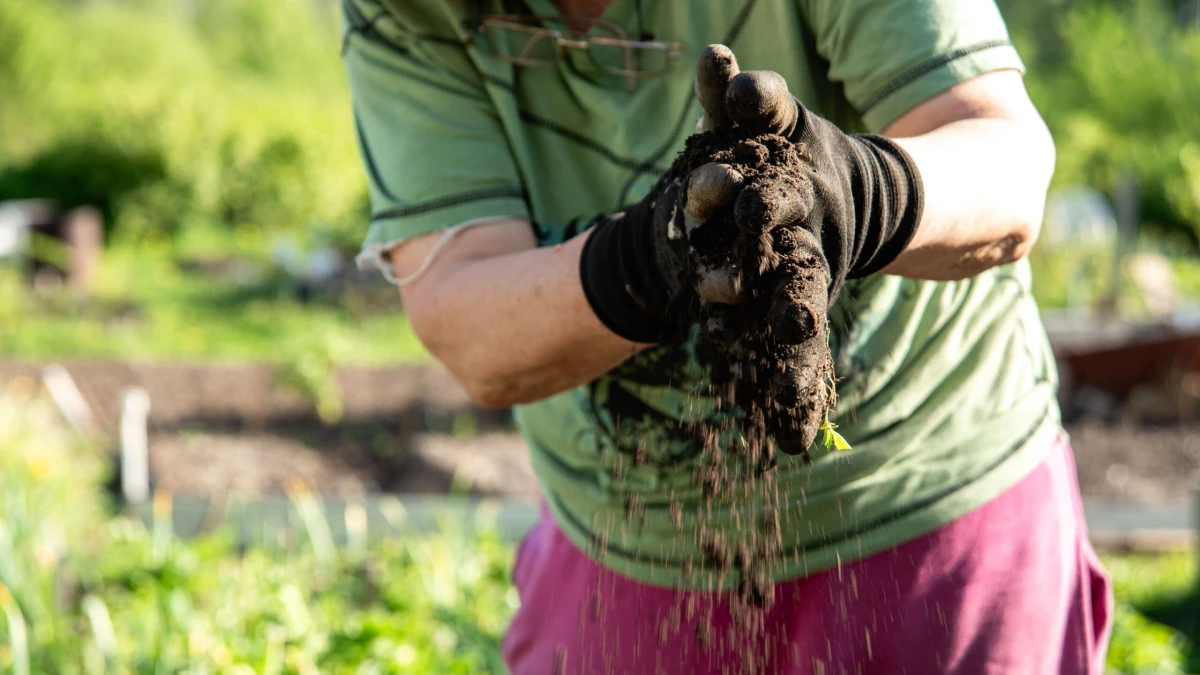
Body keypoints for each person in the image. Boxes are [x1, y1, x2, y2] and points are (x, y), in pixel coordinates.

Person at [342, 0, 1113, 672]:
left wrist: (852, 192)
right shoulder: (411, 9)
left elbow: (1002, 163)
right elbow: (467, 319)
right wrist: (651, 256)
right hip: (632, 547)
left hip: (929, 521)